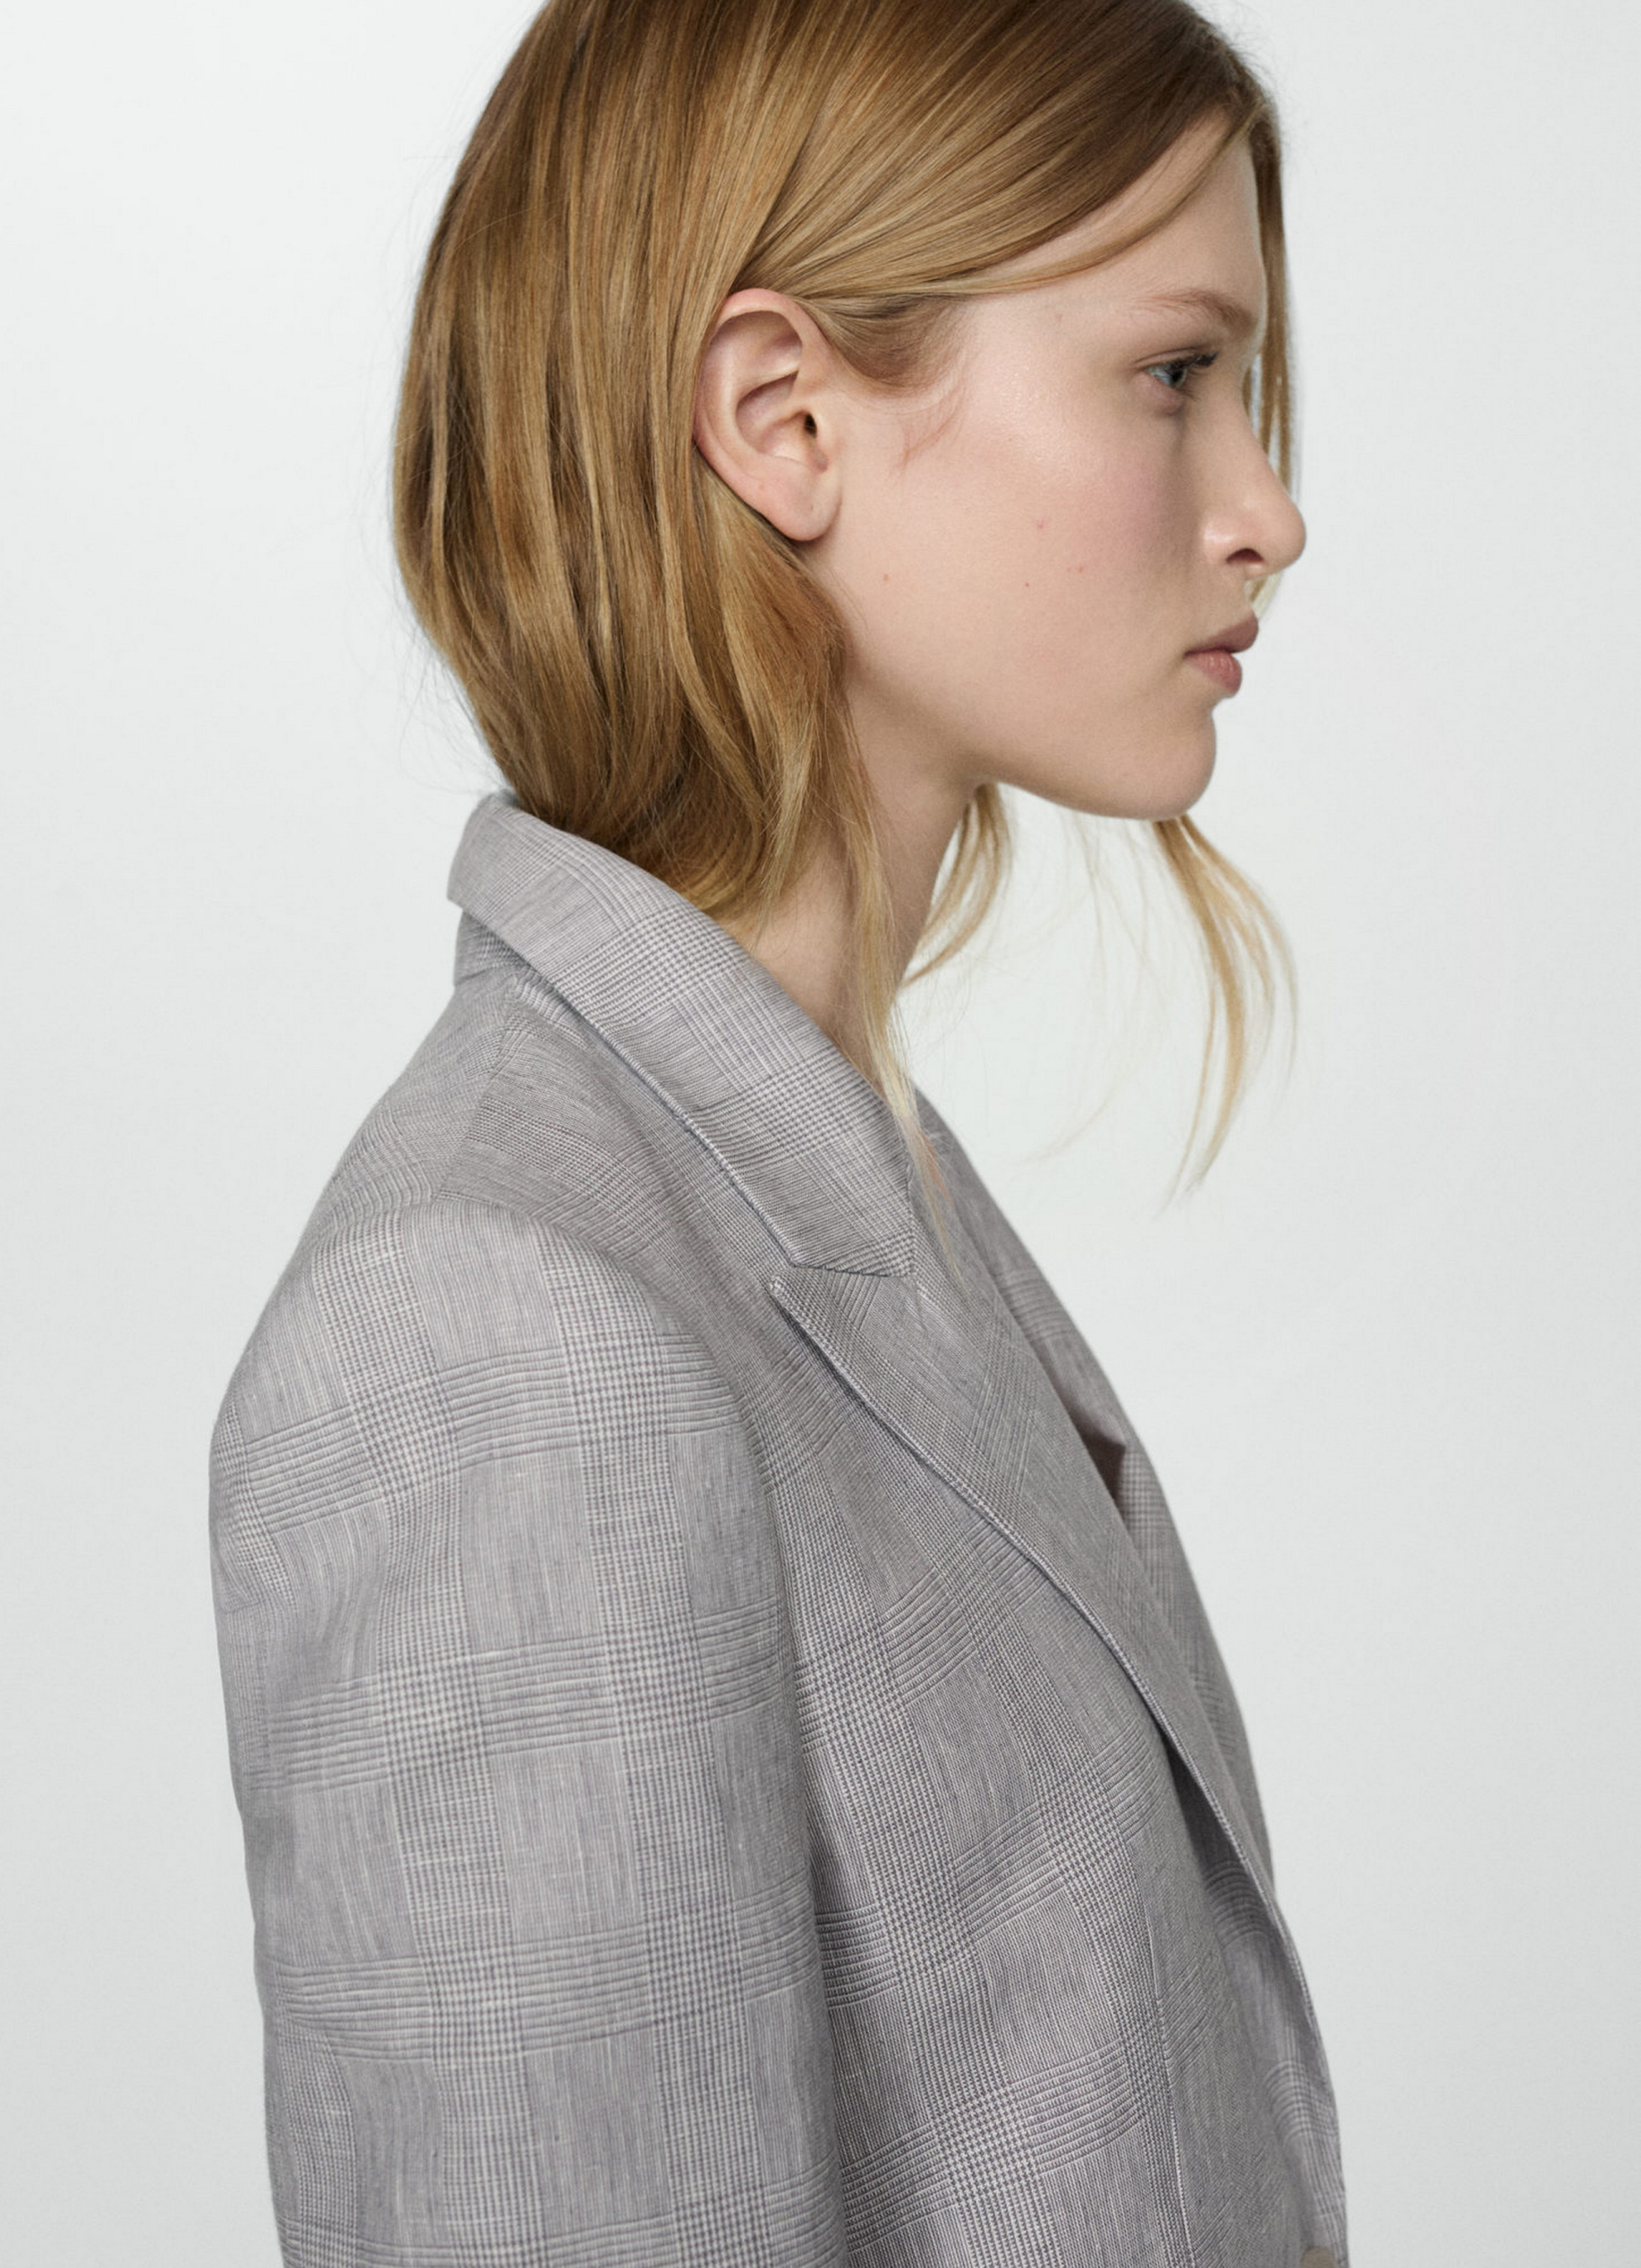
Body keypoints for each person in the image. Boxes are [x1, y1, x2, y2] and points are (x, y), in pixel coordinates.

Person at [209, 2, 1346, 2262]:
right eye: (1171, 374)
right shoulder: (502, 1326)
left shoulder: (836, 1182)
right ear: (782, 416)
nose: (1266, 511)